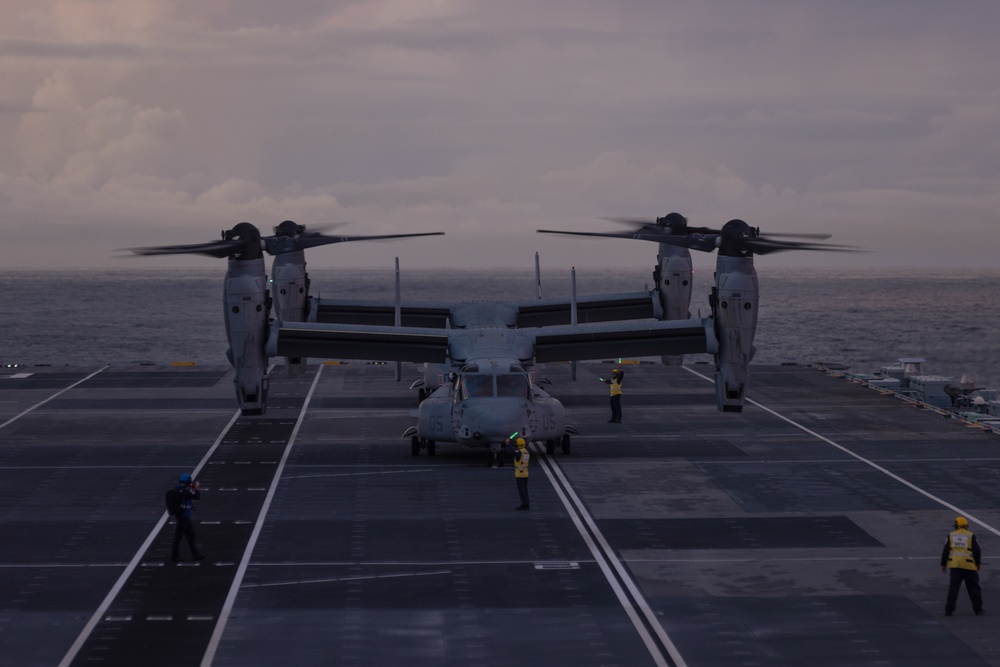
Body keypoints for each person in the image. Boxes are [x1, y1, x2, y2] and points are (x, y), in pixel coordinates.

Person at [941, 516, 984, 616]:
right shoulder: (971, 536)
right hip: (968, 565)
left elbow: (946, 550)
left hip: (955, 565)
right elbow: (977, 551)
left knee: (953, 588)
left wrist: (943, 564)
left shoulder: (951, 535)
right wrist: (978, 563)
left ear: (956, 525)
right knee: (974, 588)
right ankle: (978, 608)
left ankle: (949, 609)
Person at [171, 473, 206, 562]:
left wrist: (192, 487)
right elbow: (196, 496)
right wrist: (196, 488)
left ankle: (196, 555)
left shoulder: (177, 489)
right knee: (178, 538)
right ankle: (174, 556)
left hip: (181, 516)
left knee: (191, 536)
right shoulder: (185, 491)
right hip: (183, 517)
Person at [506, 436, 530, 510]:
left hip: (519, 474)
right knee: (525, 490)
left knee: (521, 490)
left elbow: (511, 450)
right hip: (525, 473)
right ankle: (526, 503)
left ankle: (524, 504)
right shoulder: (526, 451)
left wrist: (508, 443)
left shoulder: (519, 452)